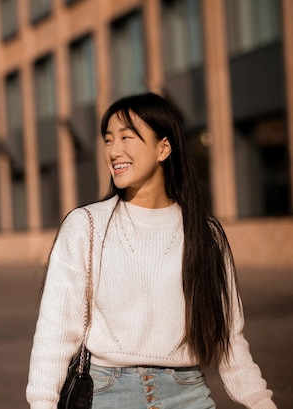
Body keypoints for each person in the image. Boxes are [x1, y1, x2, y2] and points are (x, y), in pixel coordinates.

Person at [26, 92, 276, 409]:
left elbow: (229, 339)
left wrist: (260, 401)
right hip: (106, 394)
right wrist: (42, 403)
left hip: (188, 394)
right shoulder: (86, 225)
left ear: (163, 147)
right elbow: (55, 332)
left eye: (127, 137)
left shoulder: (205, 234)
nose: (114, 150)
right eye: (108, 140)